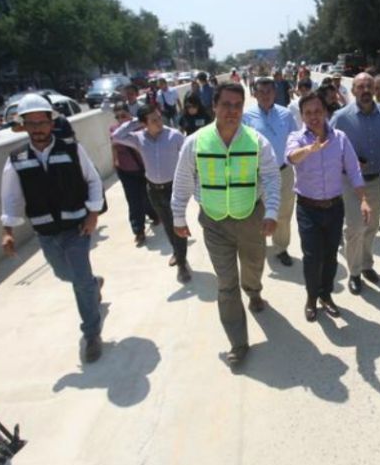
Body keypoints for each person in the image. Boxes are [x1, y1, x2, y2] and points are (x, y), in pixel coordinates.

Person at [171, 83, 281, 368]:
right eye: (226, 105)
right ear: (214, 107)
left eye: (237, 105)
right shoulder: (195, 142)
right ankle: (238, 342)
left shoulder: (257, 142)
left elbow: (271, 177)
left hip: (251, 219)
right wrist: (178, 216)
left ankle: (254, 291)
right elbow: (183, 180)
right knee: (226, 284)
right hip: (215, 223)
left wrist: (270, 211)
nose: (232, 111)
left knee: (254, 265)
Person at [0, 93, 105, 363]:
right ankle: (93, 286)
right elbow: (11, 197)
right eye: (31, 123)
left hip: (77, 227)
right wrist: (8, 231)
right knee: (64, 275)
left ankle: (91, 333)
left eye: (41, 122)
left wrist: (93, 214)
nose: (37, 129)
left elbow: (93, 180)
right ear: (22, 126)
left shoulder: (71, 148)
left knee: (79, 280)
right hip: (46, 232)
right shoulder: (16, 159)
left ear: (51, 122)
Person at [287, 92, 370, 321]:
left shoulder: (340, 138)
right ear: (302, 116)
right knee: (312, 257)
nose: (313, 117)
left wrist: (363, 199)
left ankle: (326, 296)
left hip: (334, 207)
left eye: (317, 111)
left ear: (325, 112)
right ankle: (312, 299)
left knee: (331, 256)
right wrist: (309, 150)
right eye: (308, 113)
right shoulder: (297, 137)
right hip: (308, 208)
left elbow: (353, 170)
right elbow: (291, 157)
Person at [329, 73, 380, 295]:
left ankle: (367, 264)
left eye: (369, 86)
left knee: (371, 227)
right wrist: (347, 159)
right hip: (350, 182)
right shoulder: (340, 117)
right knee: (354, 228)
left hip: (378, 180)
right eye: (361, 86)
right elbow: (328, 147)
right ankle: (355, 272)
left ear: (375, 89)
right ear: (354, 90)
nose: (366, 90)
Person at [111, 104, 192, 282]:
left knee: (177, 224)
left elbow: (189, 156)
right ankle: (177, 252)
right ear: (144, 123)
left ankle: (181, 263)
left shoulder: (174, 136)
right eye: (153, 120)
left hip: (173, 189)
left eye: (159, 117)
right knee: (167, 226)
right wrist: (134, 122)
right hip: (153, 190)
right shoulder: (138, 138)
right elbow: (116, 136)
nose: (159, 122)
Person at [242, 77, 299, 266]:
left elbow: (295, 140)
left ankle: (281, 247)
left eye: (269, 91)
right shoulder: (247, 117)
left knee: (284, 212)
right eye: (261, 92)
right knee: (257, 213)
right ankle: (258, 245)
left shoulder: (286, 114)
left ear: (275, 93)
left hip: (284, 172)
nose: (265, 95)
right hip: (257, 174)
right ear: (255, 94)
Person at [110, 102, 159, 246]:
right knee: (133, 200)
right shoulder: (114, 130)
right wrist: (114, 161)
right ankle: (139, 230)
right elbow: (113, 144)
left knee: (146, 195)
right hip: (125, 170)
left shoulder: (140, 128)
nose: (120, 119)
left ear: (129, 115)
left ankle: (154, 214)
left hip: (143, 169)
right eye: (117, 117)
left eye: (123, 115)